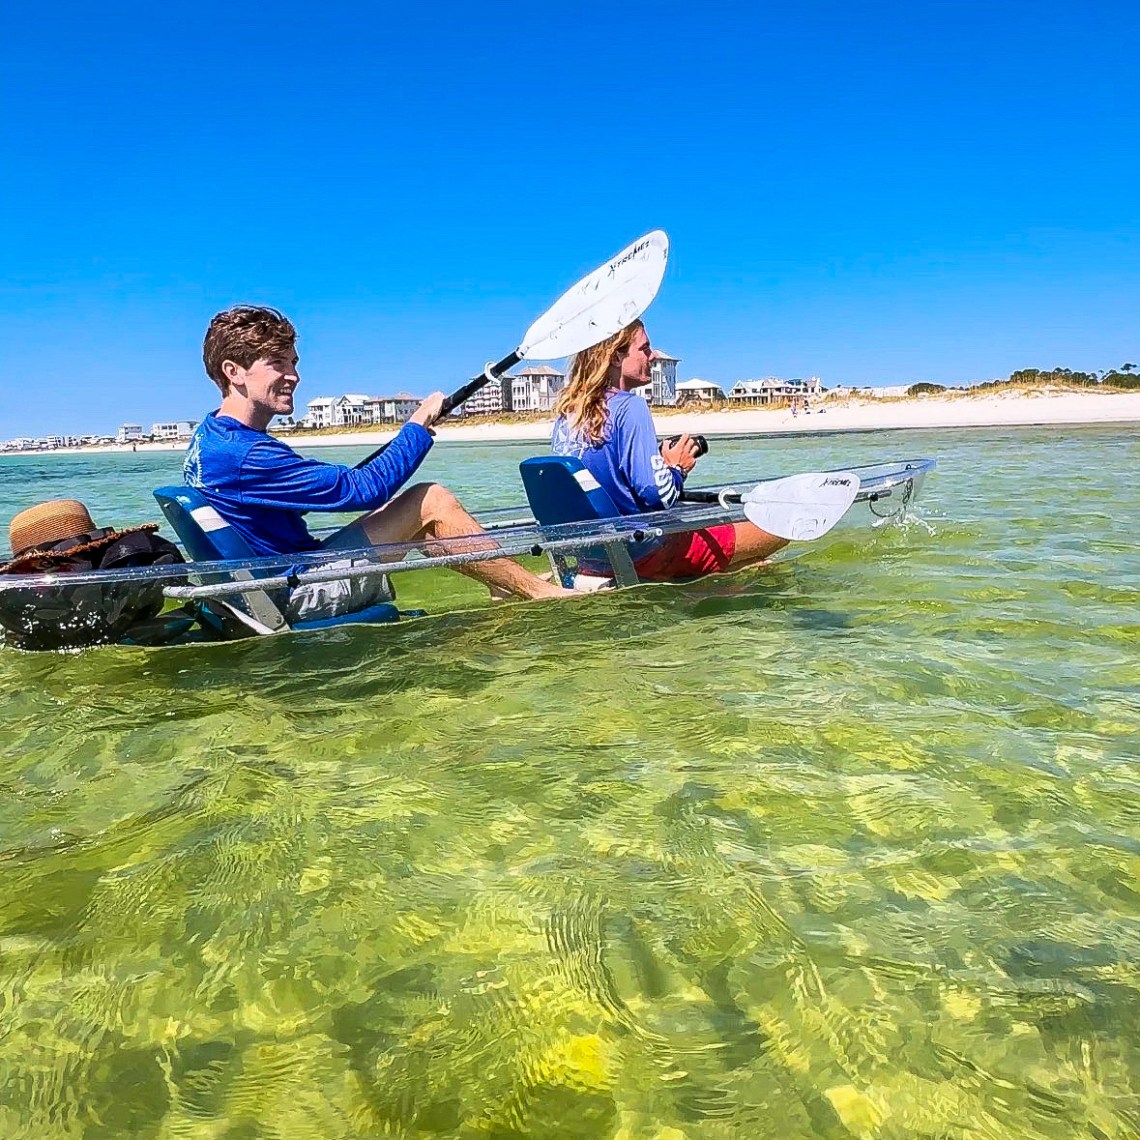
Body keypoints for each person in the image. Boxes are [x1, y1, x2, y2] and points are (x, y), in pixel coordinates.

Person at [186, 306, 575, 620]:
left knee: (409, 512)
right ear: (233, 372)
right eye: (278, 364)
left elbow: (321, 489)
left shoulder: (211, 437)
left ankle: (502, 583)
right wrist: (417, 426)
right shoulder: (246, 454)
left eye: (294, 362)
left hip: (276, 580)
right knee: (429, 500)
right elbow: (363, 490)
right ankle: (539, 593)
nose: (294, 376)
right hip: (292, 593)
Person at [551, 320, 787, 581]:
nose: (652, 356)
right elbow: (656, 494)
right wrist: (677, 468)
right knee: (779, 528)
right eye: (645, 349)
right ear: (617, 356)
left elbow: (603, 478)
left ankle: (717, 582)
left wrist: (656, 465)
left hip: (594, 557)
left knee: (755, 562)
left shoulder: (568, 415)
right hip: (646, 553)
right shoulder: (631, 407)